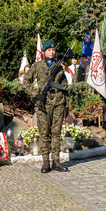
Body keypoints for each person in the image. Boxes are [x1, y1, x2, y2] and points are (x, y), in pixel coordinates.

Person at [23, 39, 68, 173]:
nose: (52, 52)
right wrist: (36, 94)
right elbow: (25, 82)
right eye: (49, 50)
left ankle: (56, 161)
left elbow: (65, 87)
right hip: (44, 105)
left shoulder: (59, 66)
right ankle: (45, 162)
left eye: (53, 50)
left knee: (56, 133)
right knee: (44, 133)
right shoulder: (37, 66)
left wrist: (67, 104)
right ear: (44, 52)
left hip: (58, 103)